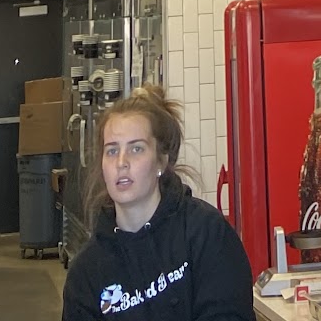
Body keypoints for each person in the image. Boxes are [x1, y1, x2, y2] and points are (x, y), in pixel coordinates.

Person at [62, 86, 253, 321]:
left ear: (161, 161)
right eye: (112, 151)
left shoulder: (206, 233)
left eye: (136, 149)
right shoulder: (86, 272)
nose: (121, 162)